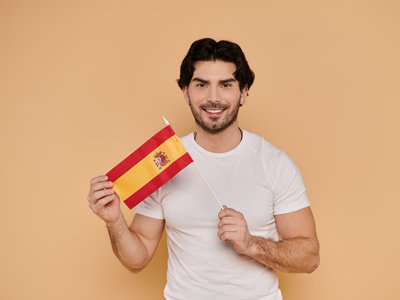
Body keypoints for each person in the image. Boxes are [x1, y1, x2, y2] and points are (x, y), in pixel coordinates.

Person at [87, 38, 319, 300]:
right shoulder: (165, 163)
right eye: (201, 85)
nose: (213, 97)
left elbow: (309, 257)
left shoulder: (275, 164)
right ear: (186, 92)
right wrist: (115, 221)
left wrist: (252, 244)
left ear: (243, 92)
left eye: (226, 85)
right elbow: (137, 260)